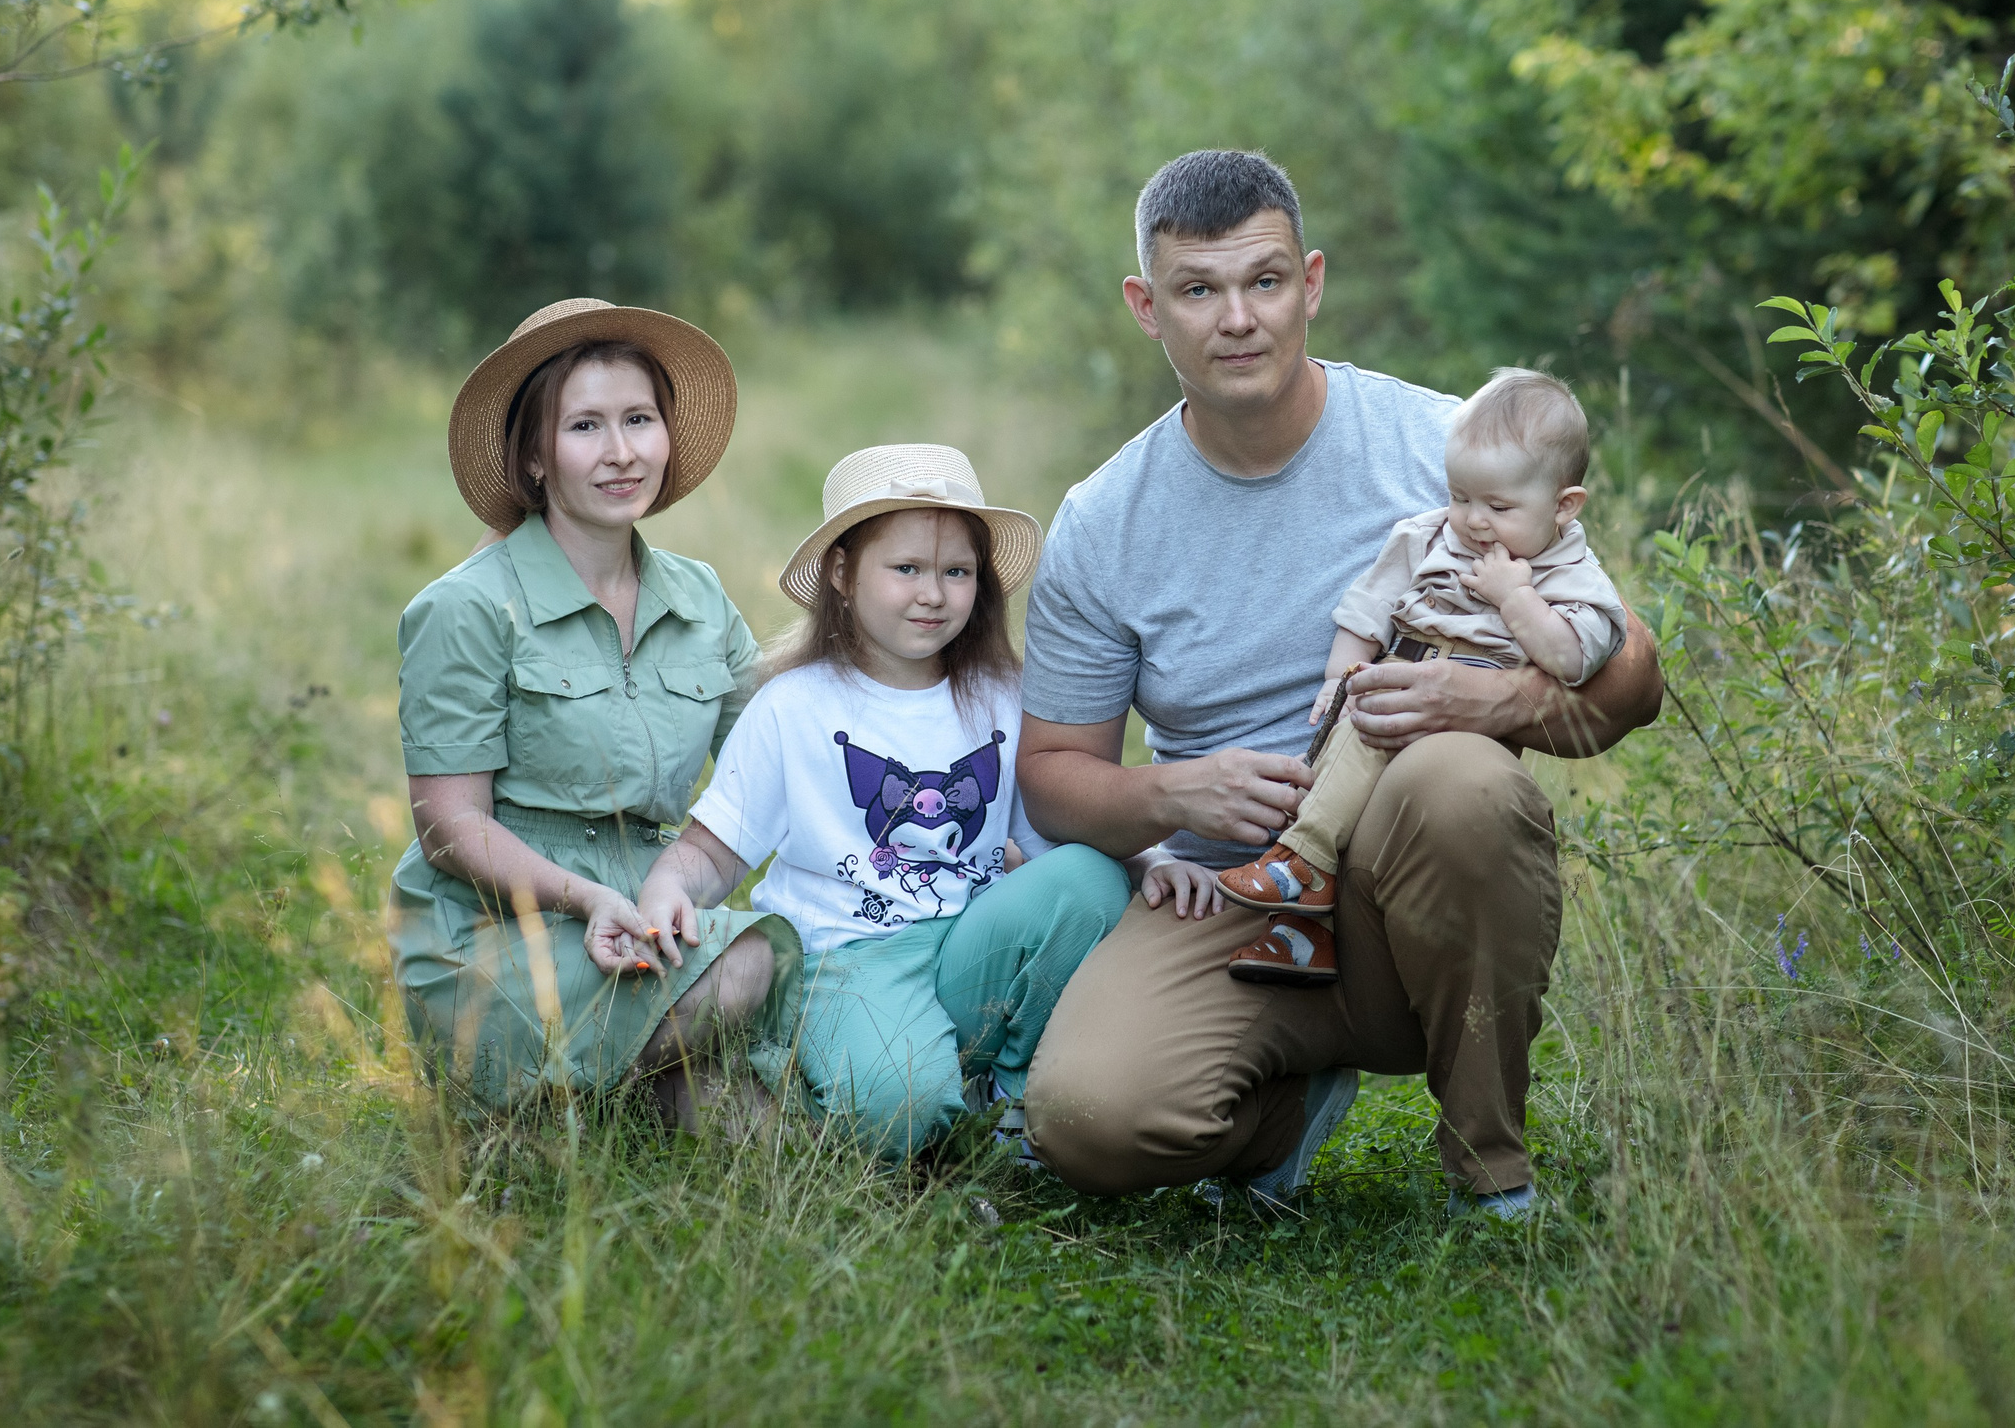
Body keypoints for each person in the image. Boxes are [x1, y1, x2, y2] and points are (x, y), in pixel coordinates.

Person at [1017, 150, 1663, 1217]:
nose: (1238, 319)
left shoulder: (1448, 447)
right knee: (1088, 1119)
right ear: (1146, 307)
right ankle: (1282, 1106)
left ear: (1310, 284)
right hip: (1235, 895)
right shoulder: (1104, 520)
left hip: (1409, 895)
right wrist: (1174, 794)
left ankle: (1489, 1167)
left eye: (1265, 281)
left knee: (1459, 782)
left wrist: (1496, 702)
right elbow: (1051, 774)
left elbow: (1632, 673)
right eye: (1198, 289)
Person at [605, 445, 1132, 1158]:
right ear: (843, 573)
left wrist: (1154, 862)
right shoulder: (795, 705)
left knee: (1090, 877)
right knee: (900, 1108)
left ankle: (1007, 1095)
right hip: (849, 959)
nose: (933, 594)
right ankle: (789, 1078)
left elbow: (1052, 840)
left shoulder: (1006, 697)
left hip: (970, 944)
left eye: (957, 572)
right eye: (906, 568)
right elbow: (712, 849)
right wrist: (668, 886)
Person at [390, 297, 796, 1129]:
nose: (621, 452)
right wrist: (585, 899)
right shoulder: (467, 607)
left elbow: (777, 755)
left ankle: (612, 1101)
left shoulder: (698, 597)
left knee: (773, 1119)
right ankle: (540, 1091)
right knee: (752, 960)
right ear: (534, 457)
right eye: (585, 427)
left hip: (645, 919)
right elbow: (448, 827)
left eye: (639, 419)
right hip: (498, 931)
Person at [1213, 367, 1629, 985]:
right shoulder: (1428, 535)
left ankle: (1300, 862)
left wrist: (1515, 598)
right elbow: (1367, 610)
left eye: (1499, 506)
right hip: (1398, 669)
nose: (1474, 520)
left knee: (1374, 775)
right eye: (1461, 497)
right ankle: (1303, 933)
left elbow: (1572, 659)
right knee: (1326, 778)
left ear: (1564, 506)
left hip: (1465, 718)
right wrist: (1337, 678)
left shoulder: (1570, 573)